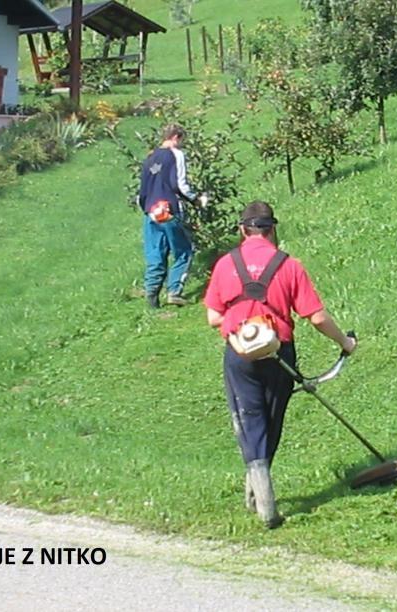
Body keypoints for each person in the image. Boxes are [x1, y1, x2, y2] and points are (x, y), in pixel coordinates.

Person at [204, 201, 357, 529]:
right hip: (279, 353)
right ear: (273, 229)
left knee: (249, 418)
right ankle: (262, 496)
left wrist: (238, 333)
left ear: (242, 230)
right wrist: (344, 343)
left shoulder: (224, 265)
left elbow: (213, 316)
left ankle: (262, 499)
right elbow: (316, 316)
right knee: (271, 420)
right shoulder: (289, 265)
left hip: (239, 355)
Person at [138, 124, 205, 308]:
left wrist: (147, 210)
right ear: (176, 137)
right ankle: (174, 290)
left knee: (155, 255)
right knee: (184, 251)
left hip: (150, 212)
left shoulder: (149, 158)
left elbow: (142, 192)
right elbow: (179, 185)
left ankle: (152, 296)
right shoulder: (176, 154)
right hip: (169, 210)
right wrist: (196, 199)